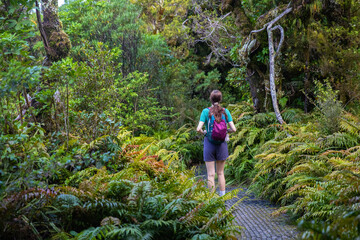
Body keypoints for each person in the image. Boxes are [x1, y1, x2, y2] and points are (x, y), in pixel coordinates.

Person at [196, 90, 236, 196]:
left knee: (210, 174)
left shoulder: (206, 112)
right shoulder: (225, 111)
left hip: (209, 144)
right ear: (220, 99)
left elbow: (198, 128)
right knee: (221, 173)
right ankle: (222, 197)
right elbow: (234, 129)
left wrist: (204, 132)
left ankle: (211, 199)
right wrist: (226, 131)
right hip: (222, 145)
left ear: (211, 99)